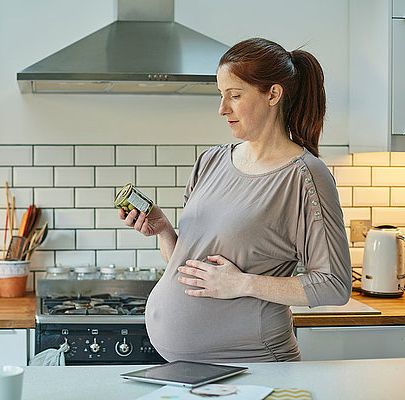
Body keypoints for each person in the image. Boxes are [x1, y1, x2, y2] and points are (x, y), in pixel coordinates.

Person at [119, 38, 352, 363]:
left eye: (235, 95)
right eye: (221, 94)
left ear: (273, 94)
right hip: (195, 371)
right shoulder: (210, 161)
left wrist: (242, 283)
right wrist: (164, 231)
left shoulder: (305, 176)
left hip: (254, 368)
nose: (222, 108)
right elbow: (189, 268)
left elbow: (334, 286)